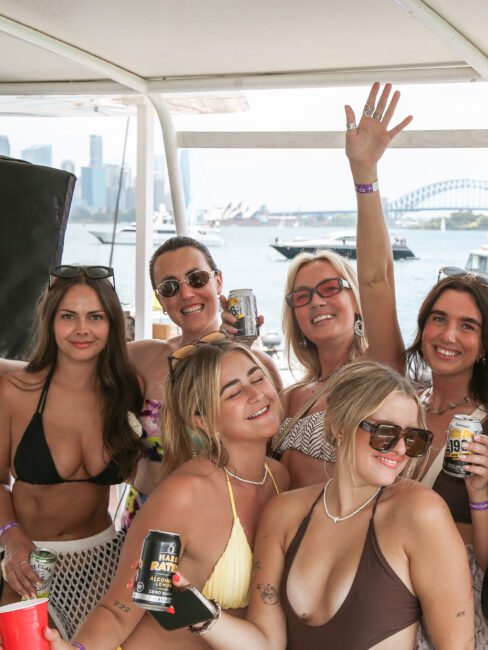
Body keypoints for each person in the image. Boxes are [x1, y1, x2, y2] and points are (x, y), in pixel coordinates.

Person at [348, 82, 488, 648]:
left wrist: (474, 491)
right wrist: (365, 176)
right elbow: (376, 282)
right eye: (437, 319)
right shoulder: (400, 397)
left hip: (458, 613)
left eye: (468, 326)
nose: (448, 335)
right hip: (379, 596)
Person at [134, 361, 474, 650]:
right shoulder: (285, 513)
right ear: (339, 426)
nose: (399, 450)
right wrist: (197, 610)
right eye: (385, 433)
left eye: (414, 438)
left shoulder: (420, 513)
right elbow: (266, 643)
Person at [45, 338, 289, 650]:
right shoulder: (185, 494)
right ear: (202, 420)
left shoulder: (278, 477)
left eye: (257, 378)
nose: (257, 394)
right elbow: (119, 609)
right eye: (234, 392)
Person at [273, 83, 411, 489]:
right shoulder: (291, 397)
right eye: (303, 296)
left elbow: (378, 278)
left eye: (331, 288)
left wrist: (364, 174)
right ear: (294, 317)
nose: (317, 301)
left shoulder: (379, 372)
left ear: (355, 300)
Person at [0, 265, 144, 640]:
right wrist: (11, 536)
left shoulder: (128, 390)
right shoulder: (16, 392)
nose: (82, 329)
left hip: (105, 561)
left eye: (95, 317)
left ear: (112, 324)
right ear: (51, 322)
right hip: (29, 563)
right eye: (69, 316)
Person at [122, 236, 281, 529]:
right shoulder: (141, 358)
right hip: (146, 521)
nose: (186, 294)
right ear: (160, 299)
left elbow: (273, 455)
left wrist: (235, 351)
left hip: (224, 525)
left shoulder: (259, 369)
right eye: (170, 287)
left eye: (196, 279)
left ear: (217, 282)